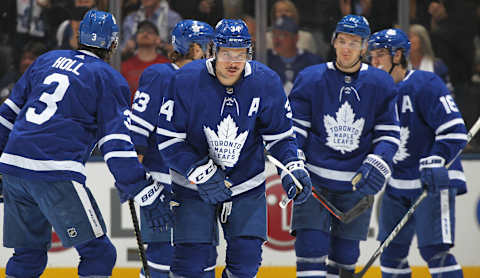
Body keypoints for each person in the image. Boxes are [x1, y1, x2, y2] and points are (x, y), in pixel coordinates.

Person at [0, 10, 172, 278]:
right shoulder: (108, 77)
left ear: (78, 37)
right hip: (55, 171)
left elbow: (6, 116)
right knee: (99, 254)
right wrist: (139, 187)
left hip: (13, 167)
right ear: (113, 44)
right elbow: (115, 145)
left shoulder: (46, 60)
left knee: (27, 255)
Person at [156, 19, 312, 278]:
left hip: (245, 185)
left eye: (239, 55)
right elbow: (169, 140)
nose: (232, 62)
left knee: (246, 263)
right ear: (214, 51)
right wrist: (200, 172)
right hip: (192, 186)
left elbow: (281, 138)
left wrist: (293, 168)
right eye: (227, 53)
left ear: (248, 54)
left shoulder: (265, 82)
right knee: (190, 265)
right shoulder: (185, 80)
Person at [288, 14, 400, 277]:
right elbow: (294, 131)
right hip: (314, 182)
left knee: (346, 256)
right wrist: (294, 161)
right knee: (310, 249)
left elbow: (389, 134)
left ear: (364, 47)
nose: (347, 48)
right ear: (333, 42)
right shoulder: (311, 78)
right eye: (342, 41)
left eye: (354, 42)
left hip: (355, 184)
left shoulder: (380, 83)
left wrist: (379, 161)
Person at [368, 28, 467, 278]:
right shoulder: (374, 94)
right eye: (372, 56)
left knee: (435, 252)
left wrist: (437, 158)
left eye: (380, 54)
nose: (374, 61)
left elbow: (454, 131)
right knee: (390, 255)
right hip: (397, 183)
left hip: (430, 181)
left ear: (398, 55)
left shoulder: (426, 84)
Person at [129, 19, 215, 278]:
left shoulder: (213, 83)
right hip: (163, 179)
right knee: (162, 251)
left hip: (200, 183)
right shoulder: (161, 75)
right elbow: (137, 132)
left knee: (204, 252)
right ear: (197, 50)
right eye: (211, 46)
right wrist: (139, 184)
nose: (216, 52)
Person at [268, 16, 324, 95]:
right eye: (274, 35)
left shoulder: (313, 62)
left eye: (282, 35)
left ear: (296, 38)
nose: (276, 40)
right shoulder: (265, 59)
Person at [121, 20, 169, 100]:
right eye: (141, 31)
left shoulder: (166, 65)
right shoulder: (124, 66)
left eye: (150, 32)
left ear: (158, 39)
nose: (145, 34)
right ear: (136, 38)